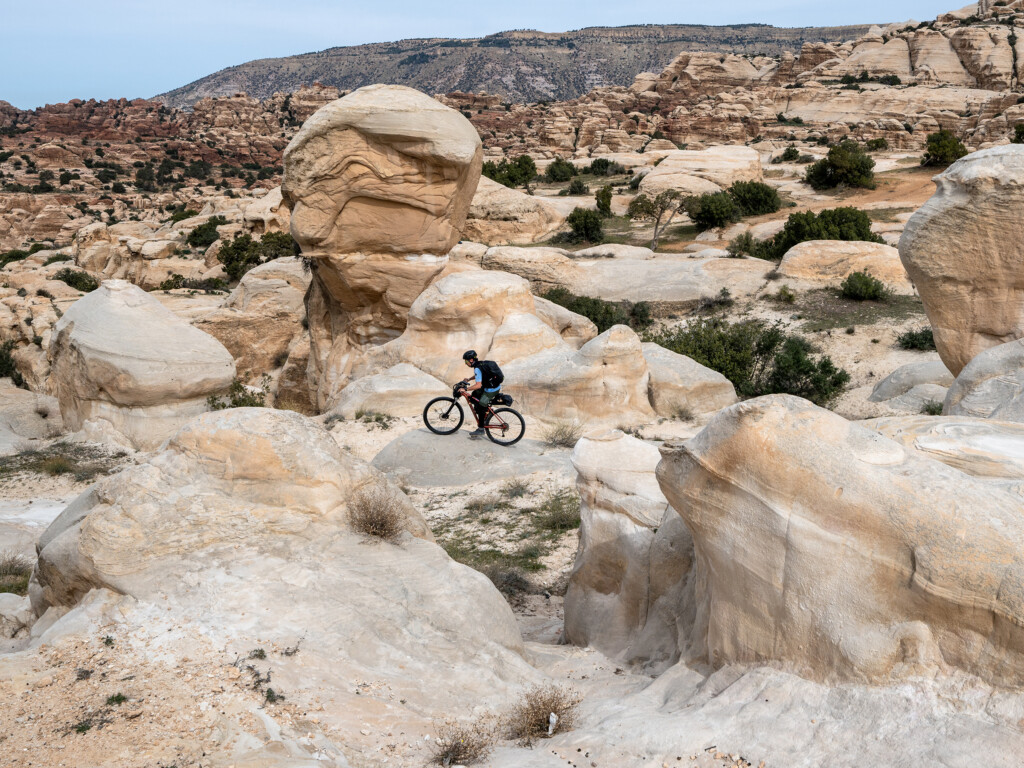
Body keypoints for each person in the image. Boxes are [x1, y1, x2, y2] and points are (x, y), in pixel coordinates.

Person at [459, 350, 503, 439]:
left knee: (481, 405)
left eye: (466, 361)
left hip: (491, 390)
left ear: (471, 360)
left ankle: (481, 428)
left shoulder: (477, 368)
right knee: (474, 395)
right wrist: (468, 379)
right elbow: (479, 375)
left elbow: (478, 385)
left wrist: (465, 389)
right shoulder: (480, 364)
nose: (466, 363)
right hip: (493, 386)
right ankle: (485, 412)